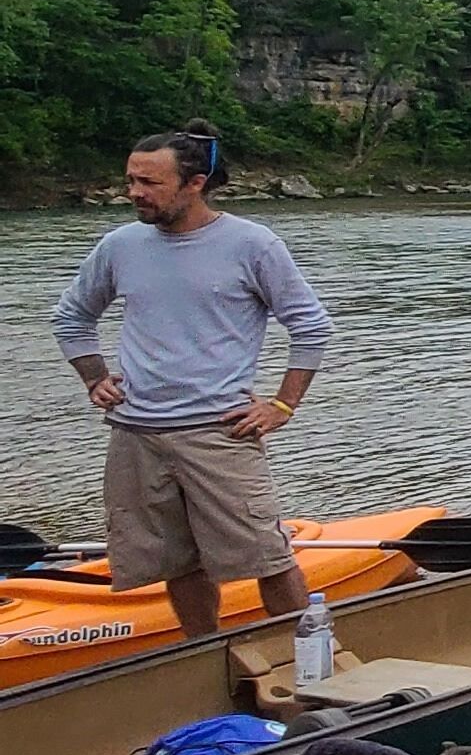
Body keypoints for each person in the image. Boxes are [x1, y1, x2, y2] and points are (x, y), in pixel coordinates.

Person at [51, 122, 334, 642]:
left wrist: (282, 405)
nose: (134, 193)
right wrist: (94, 378)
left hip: (219, 435)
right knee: (177, 564)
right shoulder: (121, 246)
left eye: (149, 183)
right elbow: (72, 317)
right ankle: (203, 656)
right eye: (131, 180)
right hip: (136, 436)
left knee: (267, 559)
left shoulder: (252, 245)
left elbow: (311, 328)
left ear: (194, 183)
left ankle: (313, 665)